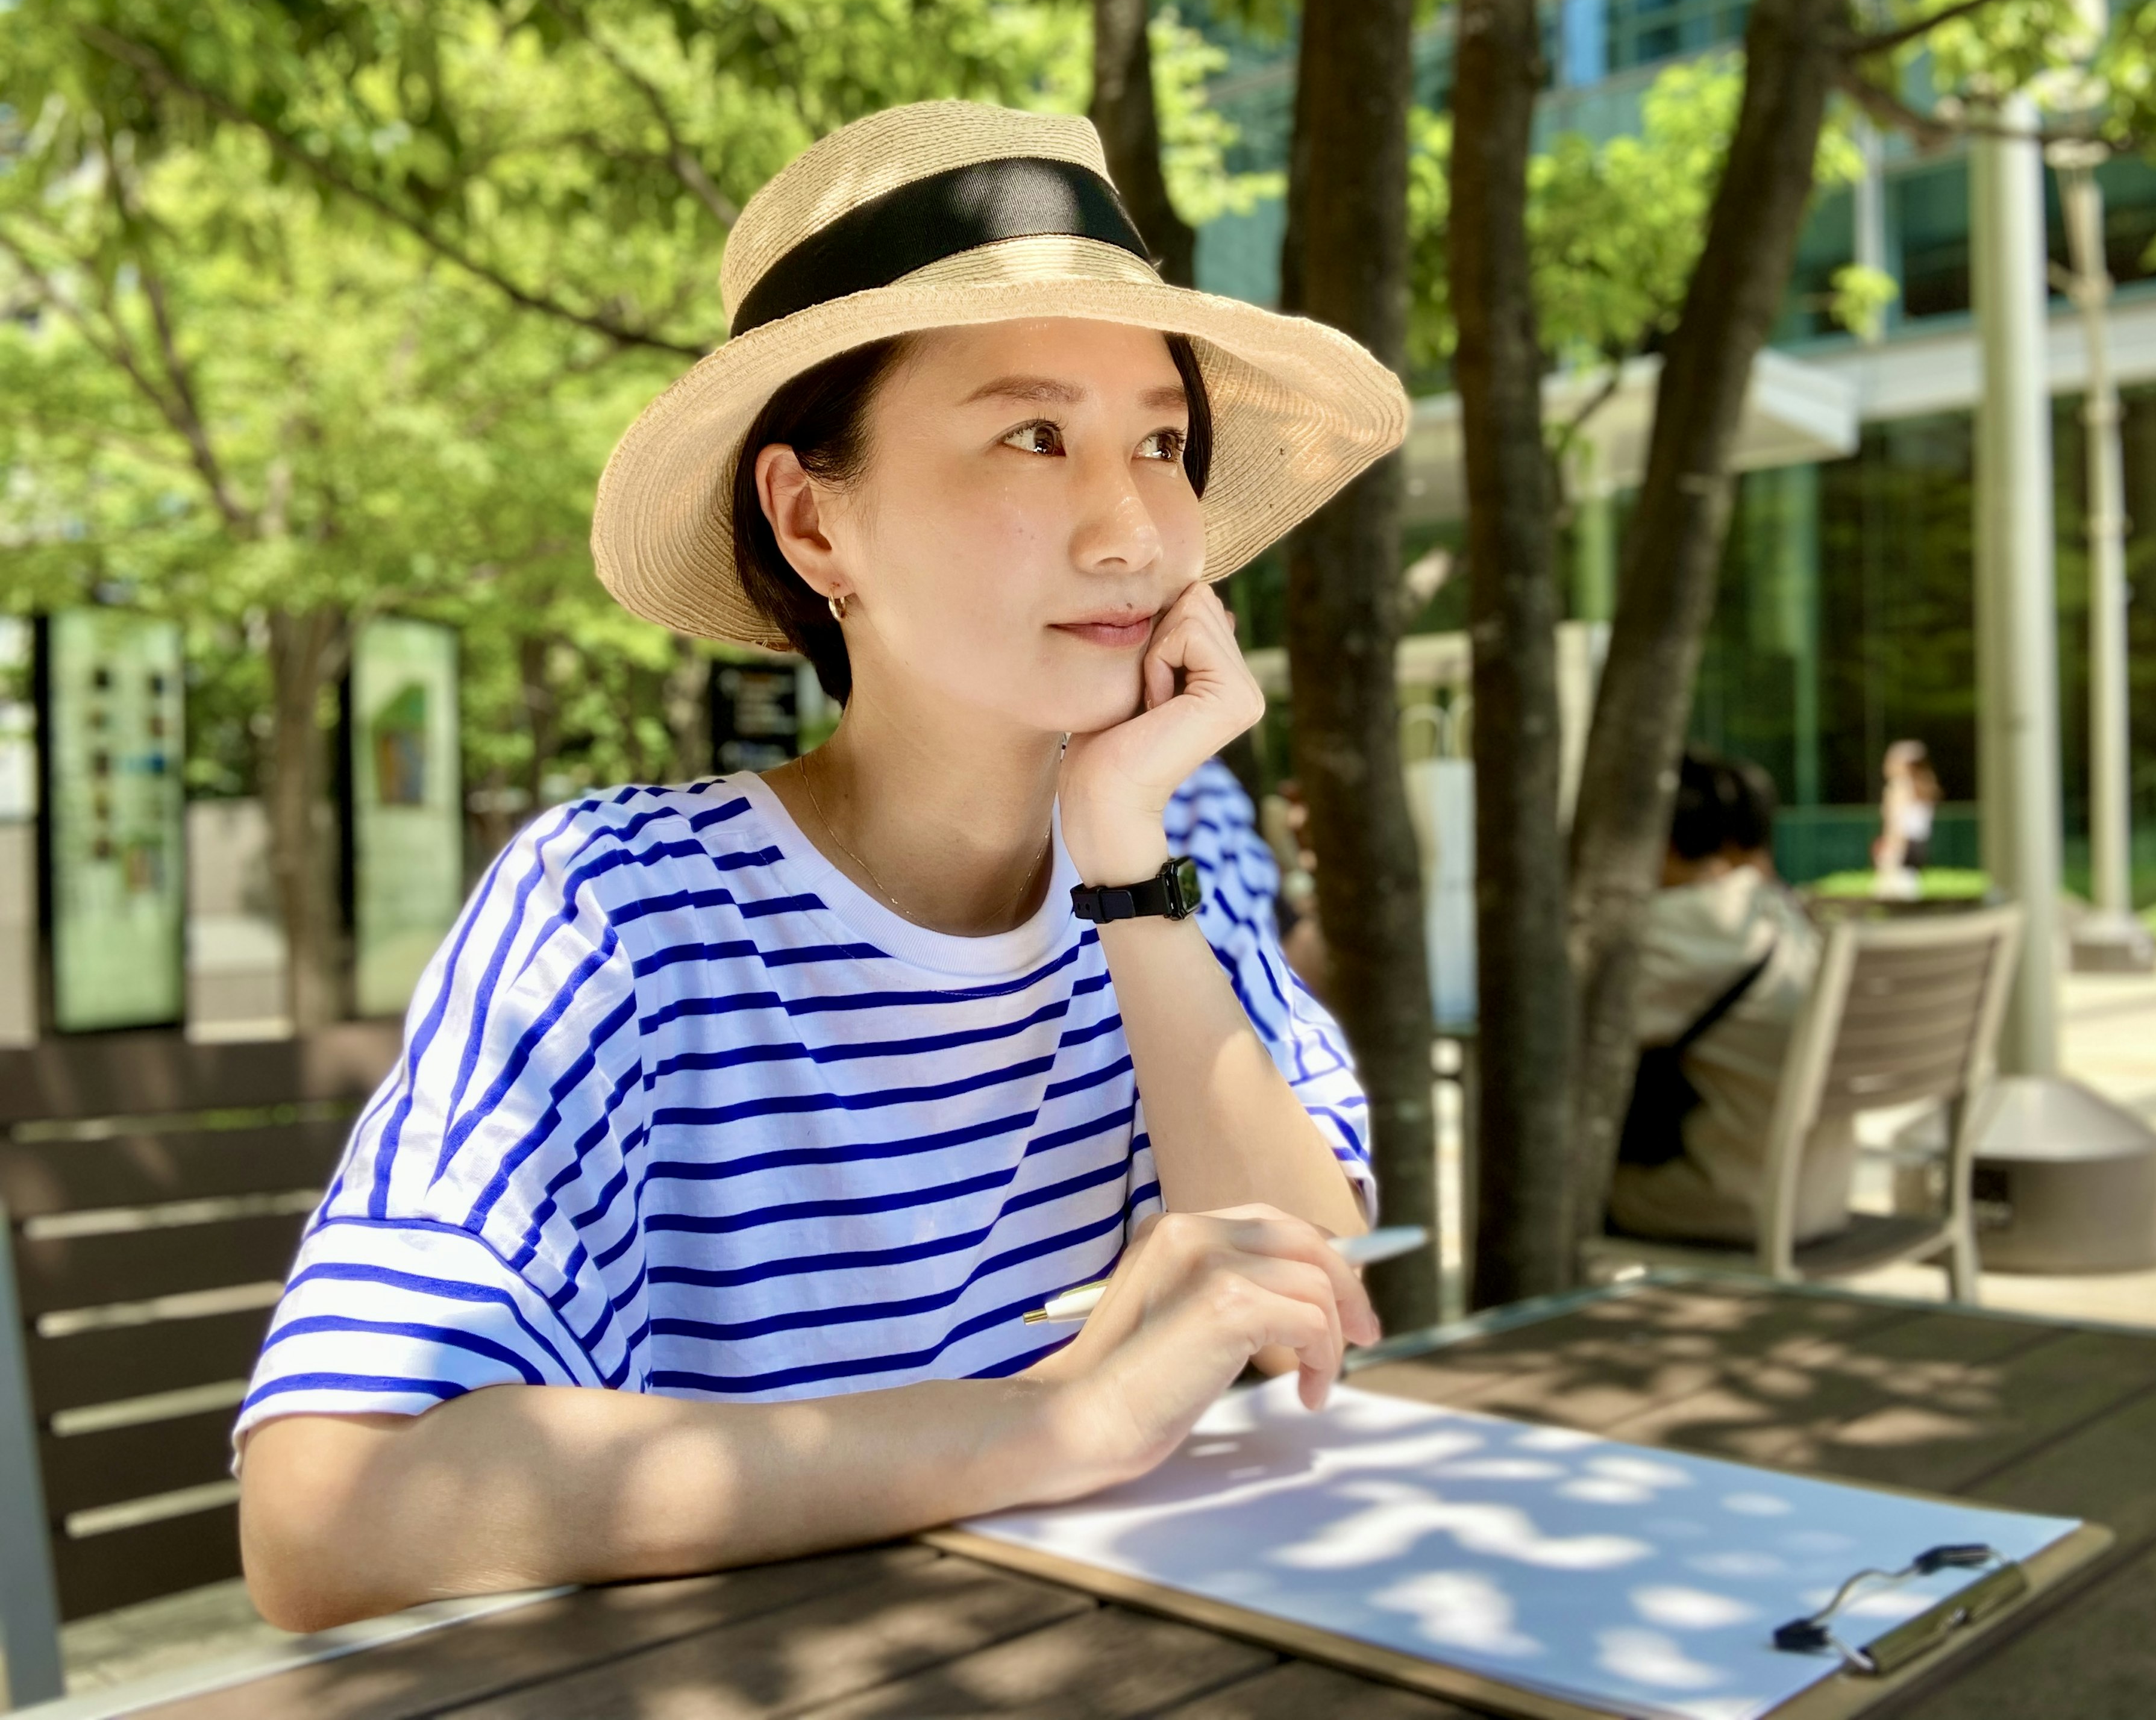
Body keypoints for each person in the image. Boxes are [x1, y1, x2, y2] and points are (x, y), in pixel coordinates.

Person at [235, 101, 1407, 1630]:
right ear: (811, 520)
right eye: (1033, 432)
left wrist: (1123, 857)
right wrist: (1056, 1420)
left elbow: (1307, 1314)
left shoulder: (1179, 853)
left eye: (1165, 442)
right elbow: (329, 1510)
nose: (1134, 529)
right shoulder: (625, 909)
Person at [1609, 752, 1855, 1247]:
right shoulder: (1778, 911)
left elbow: (1565, 1042)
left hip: (1731, 1201)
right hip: (1824, 1197)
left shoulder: (1671, 931)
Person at [1871, 739, 1941, 899]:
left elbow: (1896, 823)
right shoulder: (1921, 786)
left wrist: (1890, 851)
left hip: (1901, 847)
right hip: (1918, 847)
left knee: (1888, 896)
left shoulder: (1899, 786)